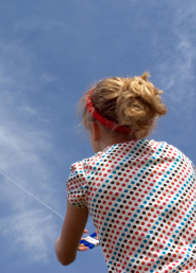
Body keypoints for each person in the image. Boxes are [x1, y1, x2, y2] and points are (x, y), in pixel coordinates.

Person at [55, 72, 196, 272]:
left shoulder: (84, 174)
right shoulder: (177, 157)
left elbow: (64, 256)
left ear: (95, 129)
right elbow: (157, 210)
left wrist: (66, 241)